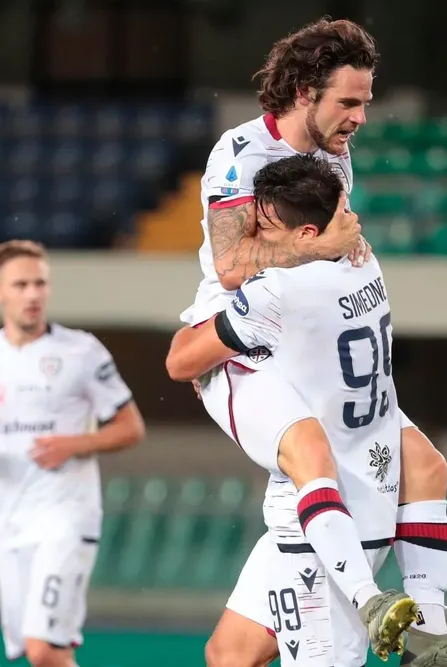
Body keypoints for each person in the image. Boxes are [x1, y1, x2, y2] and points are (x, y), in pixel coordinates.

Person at [182, 18, 447, 667]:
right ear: (306, 92)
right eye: (350, 100)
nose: (361, 116)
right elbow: (231, 266)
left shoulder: (333, 153)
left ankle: (429, 636)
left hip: (301, 342)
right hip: (241, 348)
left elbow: (326, 253)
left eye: (366, 100)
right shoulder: (239, 155)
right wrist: (319, 247)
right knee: (313, 451)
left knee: (229, 652)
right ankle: (369, 599)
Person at [170, 154, 414, 666]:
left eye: (265, 224)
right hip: (349, 493)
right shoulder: (362, 260)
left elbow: (180, 360)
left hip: (325, 521)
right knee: (229, 654)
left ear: (307, 234)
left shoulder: (279, 290)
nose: (252, 233)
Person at [0, 240, 146, 667]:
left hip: (66, 516)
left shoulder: (81, 351)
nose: (32, 294)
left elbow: (131, 428)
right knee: (45, 655)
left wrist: (74, 444)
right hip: (10, 522)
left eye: (40, 284)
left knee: (43, 647)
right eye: (21, 285)